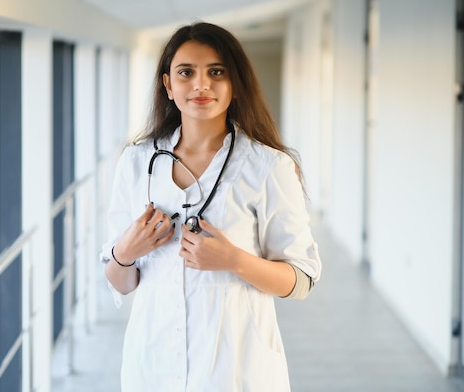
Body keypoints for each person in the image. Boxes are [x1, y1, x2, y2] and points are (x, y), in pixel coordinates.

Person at [100, 21, 322, 392]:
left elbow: (302, 281)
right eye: (186, 72)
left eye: (216, 72)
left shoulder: (268, 167)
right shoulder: (137, 163)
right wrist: (124, 253)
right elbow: (119, 282)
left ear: (235, 84)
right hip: (152, 367)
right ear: (168, 85)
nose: (201, 85)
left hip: (237, 372)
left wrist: (233, 260)